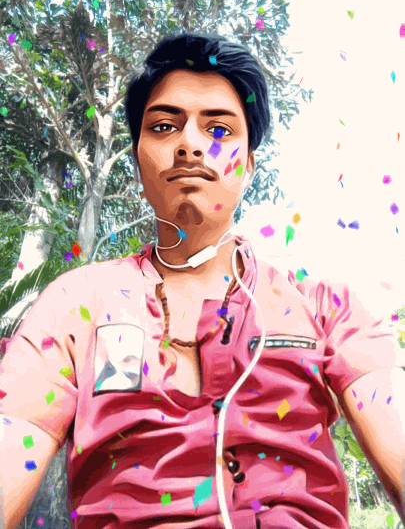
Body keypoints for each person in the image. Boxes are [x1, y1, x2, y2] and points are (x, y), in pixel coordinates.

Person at [1, 31, 405, 529]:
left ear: (249, 166)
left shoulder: (324, 305)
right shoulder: (73, 305)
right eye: (164, 126)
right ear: (138, 161)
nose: (190, 144)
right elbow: (13, 435)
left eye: (218, 129)